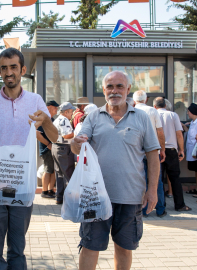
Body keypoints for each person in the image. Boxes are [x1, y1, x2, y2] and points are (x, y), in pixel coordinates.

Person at [0, 48, 58, 270]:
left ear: (23, 70)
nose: (9, 72)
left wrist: (46, 122)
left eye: (13, 67)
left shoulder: (35, 100)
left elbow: (54, 138)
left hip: (21, 178)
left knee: (18, 244)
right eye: (4, 68)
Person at [71, 71, 160, 270]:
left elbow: (153, 156)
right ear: (103, 90)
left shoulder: (142, 118)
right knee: (89, 246)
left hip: (130, 196)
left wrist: (152, 190)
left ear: (128, 89)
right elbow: (78, 146)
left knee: (124, 248)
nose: (115, 91)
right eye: (110, 86)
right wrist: (74, 143)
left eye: (120, 86)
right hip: (95, 196)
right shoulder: (93, 117)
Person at [133, 90, 167, 218]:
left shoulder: (132, 111)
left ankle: (143, 210)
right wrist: (162, 149)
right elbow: (160, 132)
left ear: (134, 100)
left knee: (140, 180)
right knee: (156, 180)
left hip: (137, 152)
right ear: (146, 100)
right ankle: (160, 209)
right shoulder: (153, 111)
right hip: (153, 151)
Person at [154, 97, 192, 212]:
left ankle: (160, 206)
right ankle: (179, 205)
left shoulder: (153, 114)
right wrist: (181, 149)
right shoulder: (173, 115)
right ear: (165, 105)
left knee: (157, 179)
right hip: (171, 150)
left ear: (154, 106)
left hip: (157, 150)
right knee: (175, 178)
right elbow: (179, 134)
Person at [52, 102, 76, 204]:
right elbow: (66, 135)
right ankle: (70, 199)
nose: (72, 114)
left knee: (60, 174)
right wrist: (77, 132)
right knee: (68, 173)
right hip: (63, 148)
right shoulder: (64, 120)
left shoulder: (58, 119)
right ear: (66, 112)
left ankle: (59, 197)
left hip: (56, 147)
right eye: (71, 112)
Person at [37, 100, 59, 199]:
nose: (57, 109)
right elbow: (38, 135)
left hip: (52, 148)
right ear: (49, 107)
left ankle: (50, 190)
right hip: (47, 149)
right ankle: (44, 191)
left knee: (53, 170)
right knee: (48, 170)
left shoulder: (52, 120)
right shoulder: (43, 119)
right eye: (55, 107)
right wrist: (48, 144)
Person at [182, 103, 197, 198]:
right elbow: (190, 133)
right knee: (196, 170)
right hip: (192, 150)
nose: (187, 113)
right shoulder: (193, 122)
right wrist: (183, 126)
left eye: (188, 111)